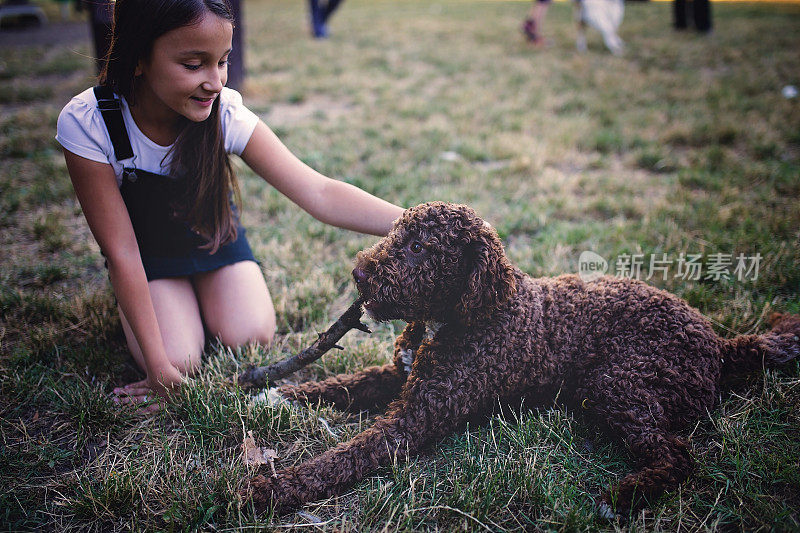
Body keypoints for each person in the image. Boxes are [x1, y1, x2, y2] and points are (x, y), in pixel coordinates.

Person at [55, 0, 404, 410]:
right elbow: (122, 250)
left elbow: (319, 192)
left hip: (212, 238)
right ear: (138, 58)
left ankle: (198, 294)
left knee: (251, 332)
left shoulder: (224, 112)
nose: (216, 81)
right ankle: (162, 301)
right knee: (179, 357)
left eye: (222, 61)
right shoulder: (90, 122)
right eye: (193, 64)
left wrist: (416, 223)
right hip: (145, 254)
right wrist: (158, 369)